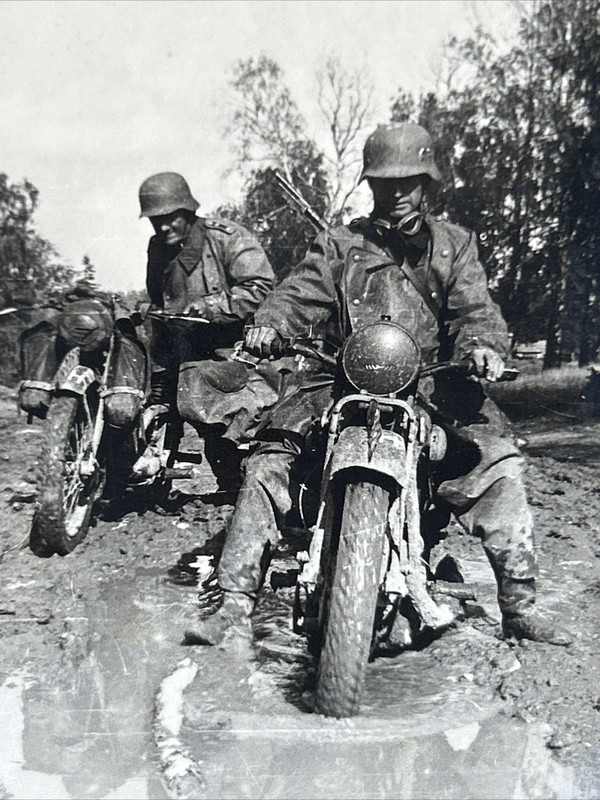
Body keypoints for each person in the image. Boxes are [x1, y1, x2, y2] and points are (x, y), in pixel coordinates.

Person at [183, 123, 572, 646]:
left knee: (495, 465)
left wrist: (483, 348)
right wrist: (271, 324)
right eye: (384, 184)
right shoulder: (341, 244)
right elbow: (299, 293)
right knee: (270, 463)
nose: (396, 194)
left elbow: (475, 309)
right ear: (370, 186)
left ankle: (519, 606)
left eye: (407, 182)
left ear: (427, 182)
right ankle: (233, 603)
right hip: (343, 383)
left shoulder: (455, 246)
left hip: (432, 385)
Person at [136, 172, 277, 490]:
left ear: (187, 212)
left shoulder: (227, 238)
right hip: (183, 349)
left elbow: (263, 287)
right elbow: (158, 299)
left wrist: (212, 306)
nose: (164, 227)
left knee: (231, 441)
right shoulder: (157, 249)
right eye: (156, 221)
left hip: (237, 349)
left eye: (170, 219)